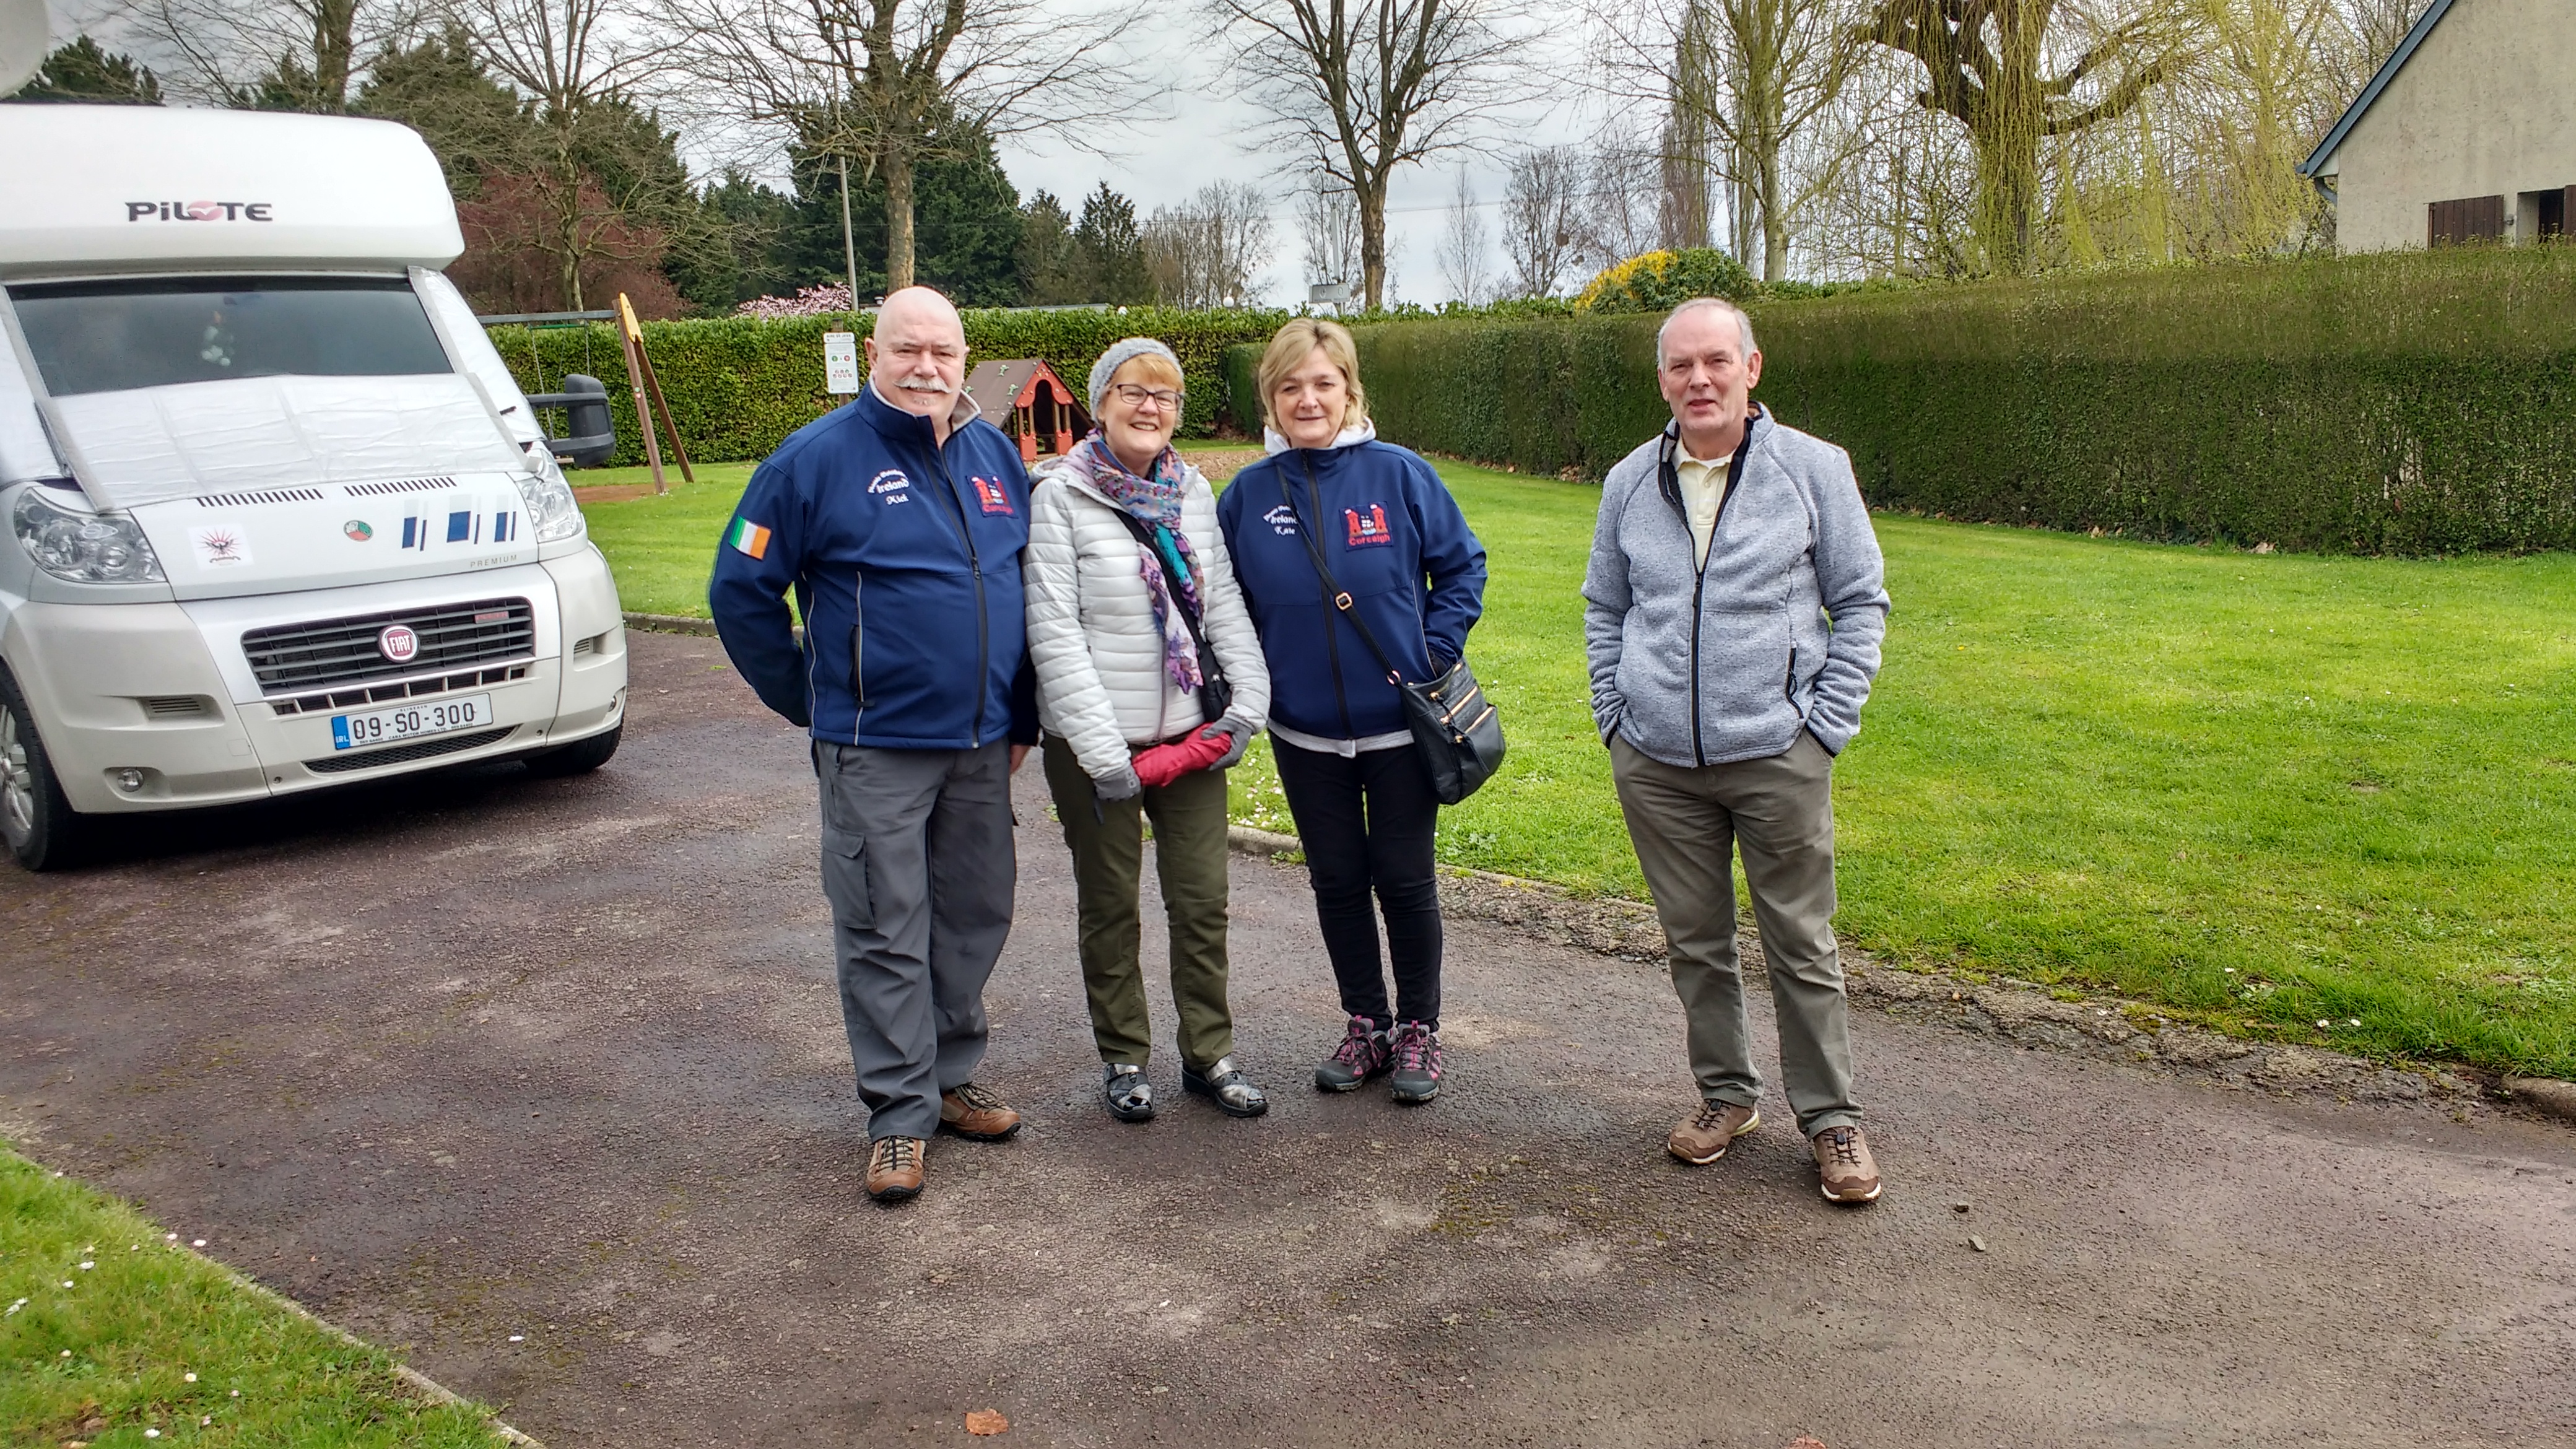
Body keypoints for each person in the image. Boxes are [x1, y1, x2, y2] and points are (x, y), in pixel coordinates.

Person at [709, 285, 1038, 1205]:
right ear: (873, 354)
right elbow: (739, 590)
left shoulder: (990, 453)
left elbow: (1020, 589)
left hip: (981, 743)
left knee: (974, 914)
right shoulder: (811, 461)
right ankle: (899, 1114)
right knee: (883, 926)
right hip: (875, 747)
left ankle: (950, 1077)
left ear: (965, 357)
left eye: (943, 351)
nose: (927, 367)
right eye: (907, 350)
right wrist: (813, 700)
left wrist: (1021, 714)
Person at [1583, 297, 1891, 1204]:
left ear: (1751, 369)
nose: (1699, 380)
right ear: (1662, 380)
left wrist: (1823, 726)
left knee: (1801, 943)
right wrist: (1615, 714)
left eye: (1716, 361)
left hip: (1776, 753)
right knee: (1695, 942)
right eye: (1681, 366)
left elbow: (1860, 601)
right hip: (1656, 760)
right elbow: (1605, 606)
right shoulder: (1629, 481)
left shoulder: (1812, 469)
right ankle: (1725, 1096)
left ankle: (1831, 1120)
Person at [1217, 318, 1487, 1105]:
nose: (1307, 399)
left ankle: (1420, 1029)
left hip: (1399, 726)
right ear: (1270, 397)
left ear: (1348, 390)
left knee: (1403, 880)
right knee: (1336, 881)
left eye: (1322, 383)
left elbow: (1461, 566)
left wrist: (1431, 652)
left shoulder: (1399, 475)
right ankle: (1367, 1024)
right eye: (1289, 386)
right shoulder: (1246, 496)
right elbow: (1224, 603)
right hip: (1302, 730)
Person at [1024, 339, 1274, 1122]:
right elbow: (1054, 632)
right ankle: (1124, 1057)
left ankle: (1208, 1053)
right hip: (1093, 746)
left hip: (1190, 737)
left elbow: (1221, 604)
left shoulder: (1192, 493)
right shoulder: (1059, 496)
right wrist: (1105, 757)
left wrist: (1246, 707)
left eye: (1164, 395)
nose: (1148, 406)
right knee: (1110, 908)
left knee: (1201, 903)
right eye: (1131, 390)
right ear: (1099, 403)